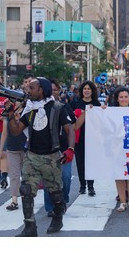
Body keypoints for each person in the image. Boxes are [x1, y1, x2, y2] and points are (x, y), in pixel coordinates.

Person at [7, 77, 74, 237]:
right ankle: (30, 227)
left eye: (31, 88)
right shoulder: (30, 110)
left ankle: (58, 218)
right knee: (26, 191)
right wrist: (10, 114)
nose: (28, 90)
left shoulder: (58, 108)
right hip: (31, 156)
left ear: (41, 90)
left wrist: (70, 148)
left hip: (51, 157)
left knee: (56, 193)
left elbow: (69, 129)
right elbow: (16, 131)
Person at [43, 79, 76, 217]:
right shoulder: (39, 107)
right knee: (48, 179)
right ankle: (50, 207)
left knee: (66, 177)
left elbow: (72, 127)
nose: (53, 92)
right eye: (50, 90)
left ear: (59, 91)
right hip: (46, 149)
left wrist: (70, 147)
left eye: (55, 90)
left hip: (63, 148)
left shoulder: (64, 106)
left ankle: (63, 199)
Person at [109, 86, 129, 212]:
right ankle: (122, 202)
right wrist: (102, 110)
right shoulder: (111, 112)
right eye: (121, 97)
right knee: (119, 174)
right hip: (116, 147)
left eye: (126, 97)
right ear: (117, 99)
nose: (123, 99)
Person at [70, 80, 101, 197]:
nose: (86, 91)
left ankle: (91, 186)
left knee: (91, 163)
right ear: (81, 90)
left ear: (92, 91)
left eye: (89, 89)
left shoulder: (96, 104)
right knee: (80, 162)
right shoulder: (75, 103)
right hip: (79, 138)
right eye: (85, 89)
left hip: (92, 138)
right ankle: (82, 185)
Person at [0, 101, 27, 210]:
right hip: (12, 148)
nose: (15, 104)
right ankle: (14, 200)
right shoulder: (7, 115)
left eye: (17, 101)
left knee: (25, 175)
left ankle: (26, 198)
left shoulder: (27, 113)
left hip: (25, 148)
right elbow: (4, 132)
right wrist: (1, 149)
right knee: (14, 175)